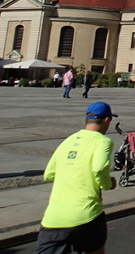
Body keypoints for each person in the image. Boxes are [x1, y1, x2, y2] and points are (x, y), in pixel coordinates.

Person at [35, 102, 117, 254]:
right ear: (106, 120)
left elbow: (49, 174)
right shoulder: (103, 141)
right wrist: (108, 184)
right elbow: (99, 169)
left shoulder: (69, 140)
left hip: (55, 217)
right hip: (87, 215)